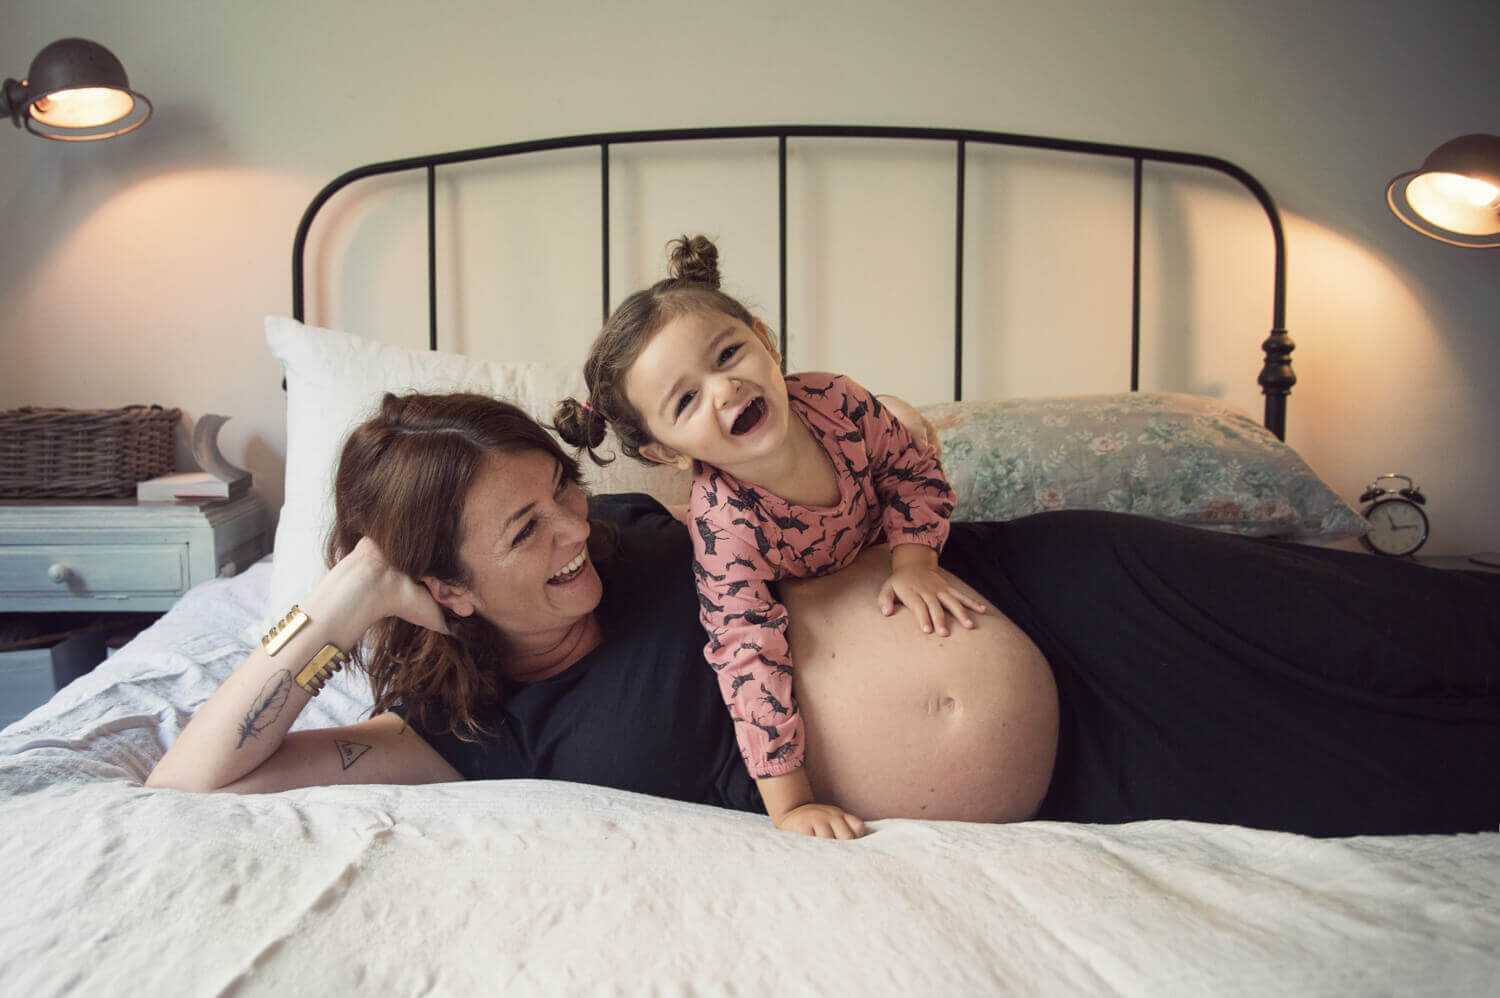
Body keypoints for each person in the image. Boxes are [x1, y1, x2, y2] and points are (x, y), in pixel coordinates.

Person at [147, 391, 1500, 841]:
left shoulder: (640, 526)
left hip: (1082, 594)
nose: (577, 532)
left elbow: (830, 459)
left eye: (566, 491)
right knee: (1429, 775)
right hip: (1096, 771)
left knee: (1420, 632)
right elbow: (191, 778)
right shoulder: (473, 731)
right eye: (523, 534)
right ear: (441, 588)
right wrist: (333, 597)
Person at [552, 235, 988, 838]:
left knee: (908, 430)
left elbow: (913, 474)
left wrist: (913, 563)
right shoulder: (725, 525)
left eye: (729, 354)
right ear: (664, 451)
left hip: (879, 549)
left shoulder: (839, 402)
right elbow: (746, 655)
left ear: (765, 339)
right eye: (685, 400)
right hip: (802, 600)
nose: (725, 389)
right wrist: (793, 805)